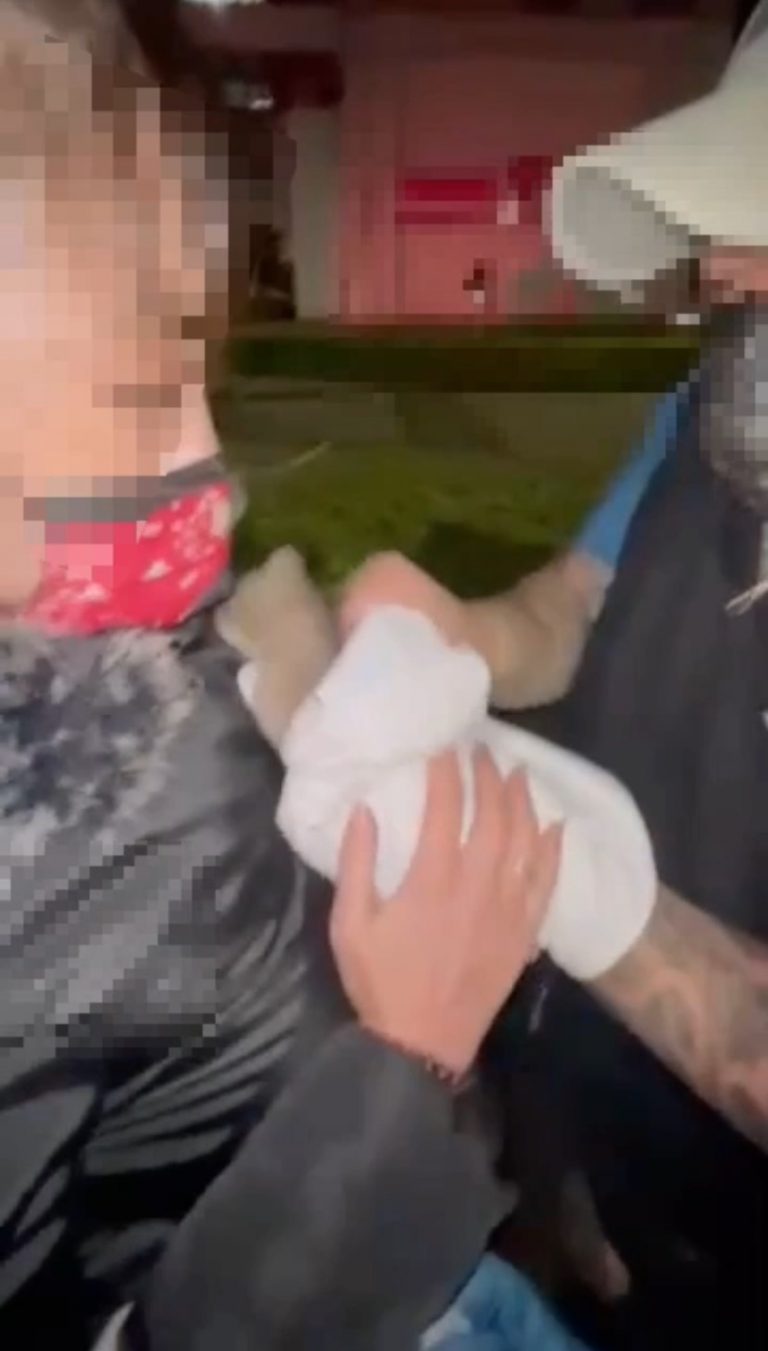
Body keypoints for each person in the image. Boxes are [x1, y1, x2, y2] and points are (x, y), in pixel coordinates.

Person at [0, 5, 566, 1350]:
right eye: (147, 408)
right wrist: (406, 1067)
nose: (218, 472)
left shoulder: (94, 683)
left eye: (202, 383)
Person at [341, 11, 768, 1349]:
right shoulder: (713, 408)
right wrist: (455, 633)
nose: (724, 275)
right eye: (725, 250)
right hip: (607, 1148)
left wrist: (577, 884)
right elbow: (572, 603)